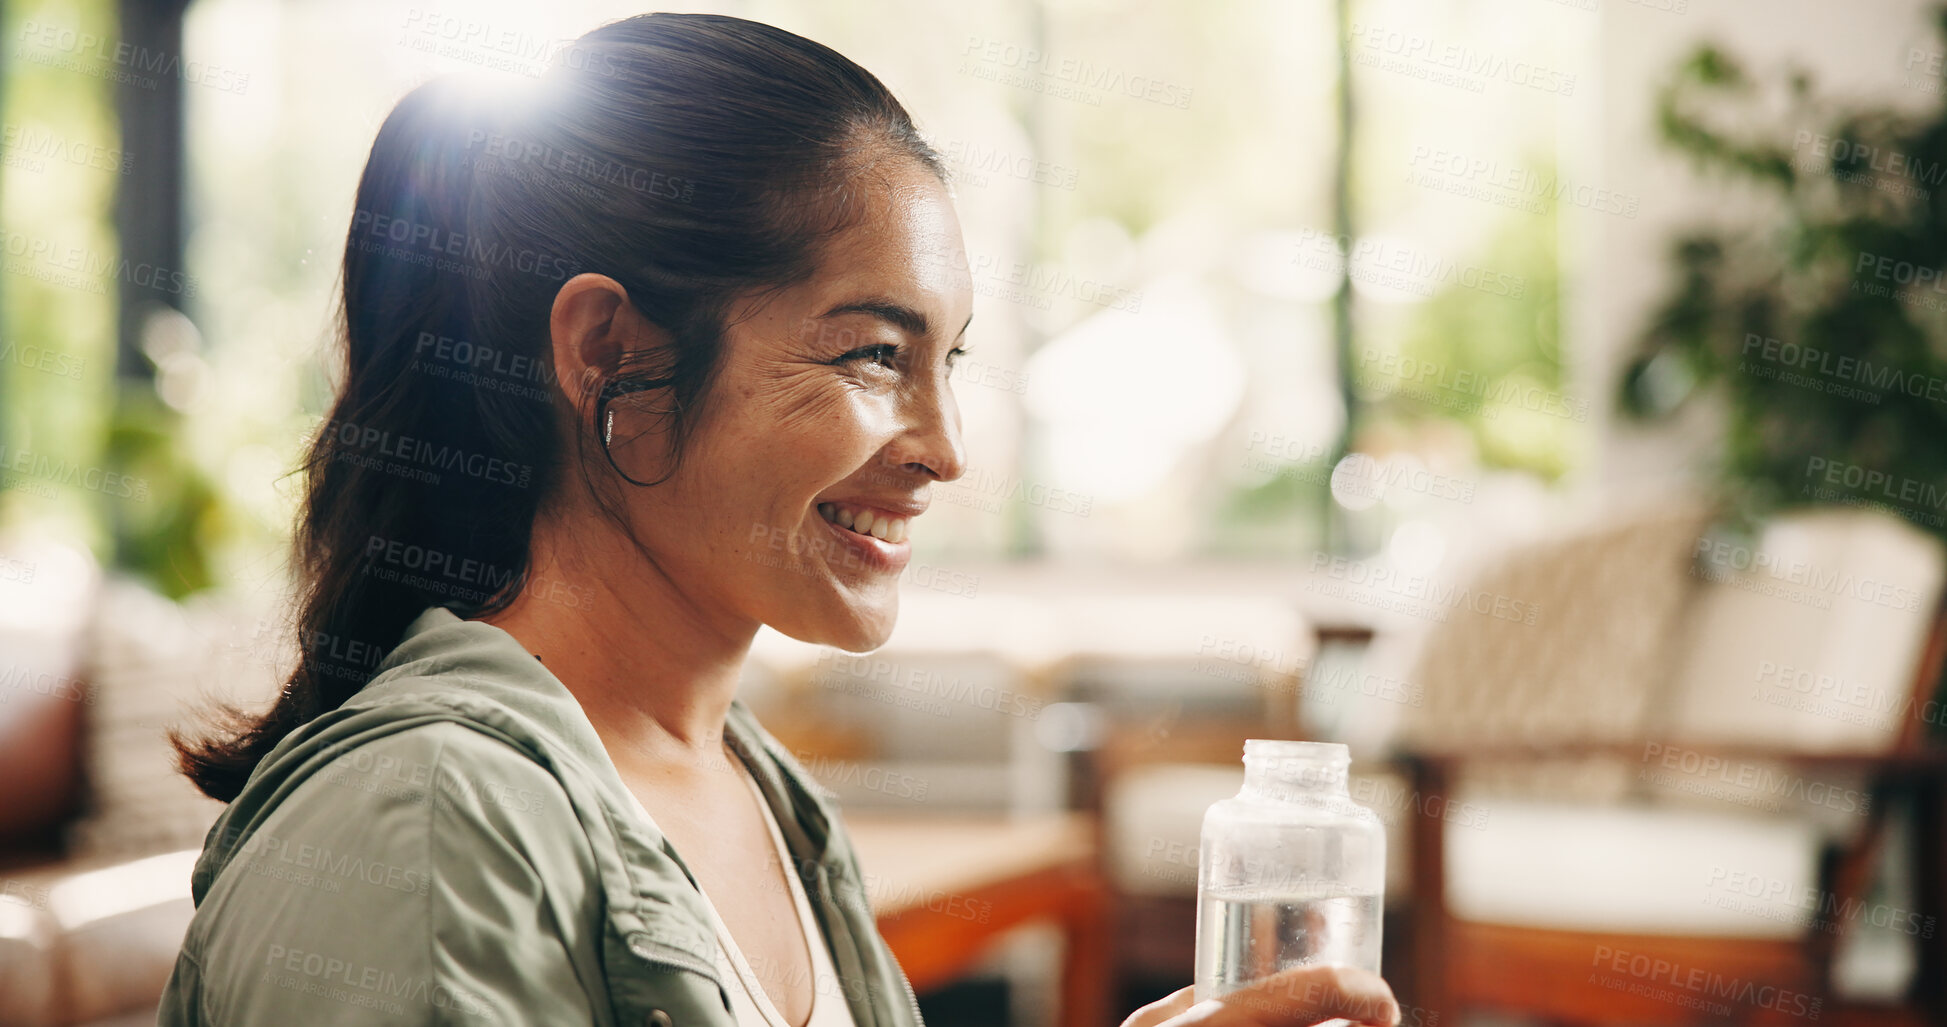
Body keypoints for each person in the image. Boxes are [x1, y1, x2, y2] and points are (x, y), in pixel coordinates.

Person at [158, 13, 1401, 1027]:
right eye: (871, 353)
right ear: (611, 355)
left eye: (948, 361)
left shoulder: (760, 790)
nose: (945, 450)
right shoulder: (429, 826)